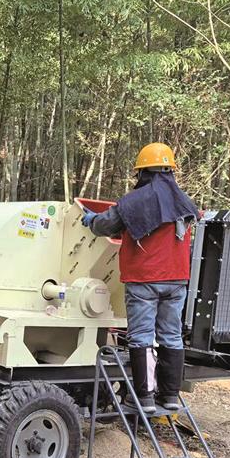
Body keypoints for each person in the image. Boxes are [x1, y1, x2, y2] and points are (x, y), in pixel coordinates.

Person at [82, 142, 199, 413]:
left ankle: (144, 398)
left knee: (142, 337)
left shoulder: (136, 201)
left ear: (142, 172)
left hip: (145, 280)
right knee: (171, 336)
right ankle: (169, 396)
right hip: (177, 281)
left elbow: (106, 225)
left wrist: (91, 220)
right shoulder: (183, 200)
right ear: (170, 170)